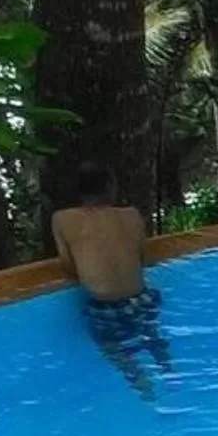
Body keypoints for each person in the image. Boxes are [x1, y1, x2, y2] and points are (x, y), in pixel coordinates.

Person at [51, 163, 171, 399]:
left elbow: (67, 266)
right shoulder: (131, 215)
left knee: (110, 346)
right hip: (142, 299)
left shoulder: (62, 219)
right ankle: (169, 371)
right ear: (109, 187)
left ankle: (144, 388)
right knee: (151, 332)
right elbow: (142, 258)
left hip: (106, 309)